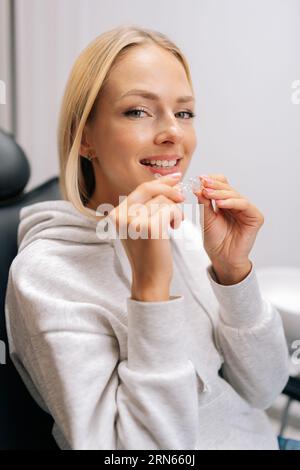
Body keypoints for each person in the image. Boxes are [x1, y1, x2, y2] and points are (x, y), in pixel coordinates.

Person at [5, 25, 291, 450]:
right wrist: (150, 291)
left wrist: (234, 276)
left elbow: (264, 390)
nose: (173, 133)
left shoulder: (184, 234)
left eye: (185, 112)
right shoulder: (46, 276)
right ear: (85, 138)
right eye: (138, 111)